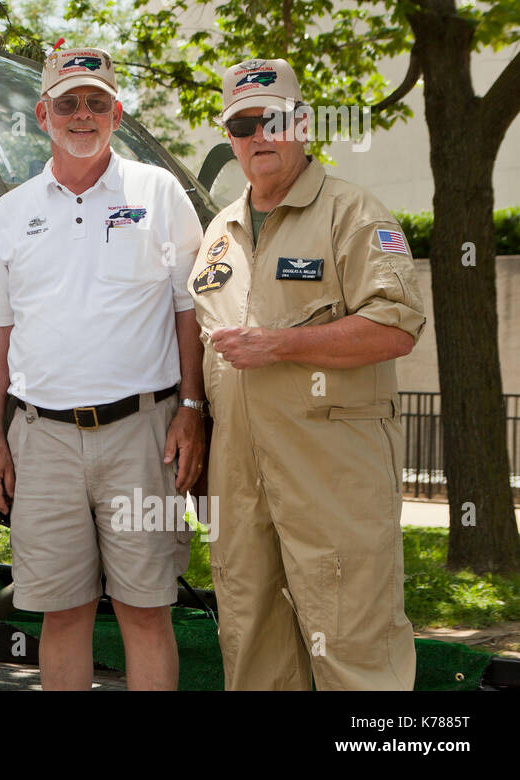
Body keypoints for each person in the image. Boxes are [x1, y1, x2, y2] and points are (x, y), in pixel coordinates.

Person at [188, 58, 424, 690]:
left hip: (333, 476)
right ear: (229, 136)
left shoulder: (352, 212)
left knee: (354, 643)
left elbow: (398, 326)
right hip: (241, 480)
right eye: (242, 124)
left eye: (274, 119)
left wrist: (283, 345)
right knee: (253, 643)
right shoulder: (219, 232)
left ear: (304, 124)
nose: (258, 134)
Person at [0, 46, 206, 691]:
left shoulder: (158, 192)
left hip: (144, 434)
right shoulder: (11, 212)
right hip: (41, 438)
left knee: (146, 608)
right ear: (44, 113)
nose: (83, 114)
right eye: (69, 102)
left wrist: (192, 410)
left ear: (117, 112)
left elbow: (190, 308)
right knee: (63, 612)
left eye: (96, 102)